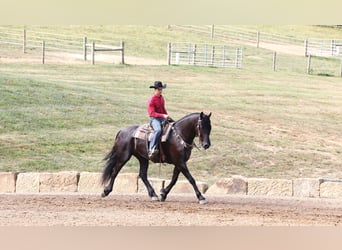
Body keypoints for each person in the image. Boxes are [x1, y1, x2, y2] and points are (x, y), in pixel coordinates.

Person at [147, 81, 170, 159]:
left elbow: (163, 109)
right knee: (158, 130)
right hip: (154, 119)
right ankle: (151, 148)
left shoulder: (161, 98)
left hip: (161, 118)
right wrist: (163, 115)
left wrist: (167, 116)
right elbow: (152, 113)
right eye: (159, 89)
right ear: (155, 89)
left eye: (161, 89)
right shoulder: (152, 100)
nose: (161, 91)